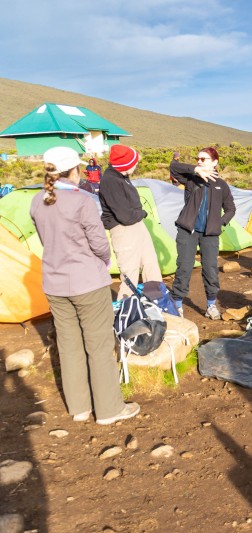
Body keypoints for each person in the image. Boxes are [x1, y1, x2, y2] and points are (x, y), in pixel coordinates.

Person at [30, 146, 140, 425]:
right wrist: (103, 262)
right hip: (87, 282)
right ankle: (109, 409)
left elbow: (47, 240)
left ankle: (79, 408)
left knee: (68, 344)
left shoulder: (36, 200)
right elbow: (100, 243)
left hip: (54, 283)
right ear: (74, 171)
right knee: (99, 344)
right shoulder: (83, 200)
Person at [169, 147, 235, 319]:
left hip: (209, 234)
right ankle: (177, 305)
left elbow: (230, 209)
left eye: (203, 159)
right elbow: (173, 168)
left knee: (211, 269)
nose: (199, 161)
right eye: (198, 158)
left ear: (214, 162)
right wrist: (196, 170)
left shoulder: (221, 185)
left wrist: (219, 223)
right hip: (187, 230)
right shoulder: (191, 180)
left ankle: (211, 306)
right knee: (184, 266)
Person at [99, 144, 163, 299]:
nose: (136, 166)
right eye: (135, 163)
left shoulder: (122, 177)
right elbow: (125, 216)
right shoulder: (111, 181)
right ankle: (126, 311)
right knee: (130, 271)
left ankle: (157, 301)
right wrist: (143, 213)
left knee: (150, 263)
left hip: (136, 226)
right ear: (126, 164)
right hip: (123, 229)